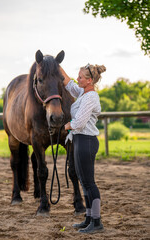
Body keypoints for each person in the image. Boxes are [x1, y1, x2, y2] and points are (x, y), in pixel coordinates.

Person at [60, 63, 106, 234]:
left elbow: (79, 122)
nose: (77, 79)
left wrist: (65, 126)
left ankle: (97, 221)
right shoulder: (82, 93)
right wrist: (57, 66)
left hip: (86, 141)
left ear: (89, 80)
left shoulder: (91, 97)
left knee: (89, 183)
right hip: (79, 140)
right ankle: (89, 218)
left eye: (80, 77)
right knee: (83, 182)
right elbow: (69, 84)